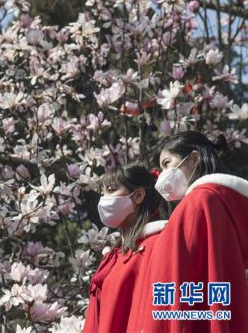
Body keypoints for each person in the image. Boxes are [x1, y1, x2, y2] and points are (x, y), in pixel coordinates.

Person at [128, 131, 248, 332]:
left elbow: (180, 271)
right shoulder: (223, 202)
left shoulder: (199, 201)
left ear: (194, 158)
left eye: (167, 163)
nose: (163, 173)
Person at [84, 163, 167, 332]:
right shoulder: (112, 256)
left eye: (111, 190)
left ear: (138, 196)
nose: (103, 199)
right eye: (102, 193)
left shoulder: (156, 245)